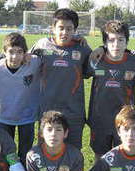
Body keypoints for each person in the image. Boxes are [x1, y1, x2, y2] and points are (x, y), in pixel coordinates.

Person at [87, 20, 135, 171]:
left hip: (126, 124)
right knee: (100, 157)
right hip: (100, 120)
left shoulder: (134, 62)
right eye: (111, 40)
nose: (116, 45)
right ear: (105, 42)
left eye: (121, 40)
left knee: (123, 159)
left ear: (127, 42)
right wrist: (98, 49)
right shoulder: (97, 59)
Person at [30, 8, 92, 151]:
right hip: (47, 110)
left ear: (75, 30)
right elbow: (25, 62)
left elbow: (93, 69)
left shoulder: (82, 48)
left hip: (73, 112)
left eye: (69, 29)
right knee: (45, 151)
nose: (64, 32)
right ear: (53, 28)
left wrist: (100, 48)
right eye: (61, 28)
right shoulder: (41, 45)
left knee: (73, 151)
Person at [0, 32, 41, 164]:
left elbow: (50, 51)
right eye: (11, 52)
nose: (15, 56)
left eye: (19, 52)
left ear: (25, 53)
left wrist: (77, 39)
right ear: (4, 52)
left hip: (27, 117)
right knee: (6, 153)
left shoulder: (34, 62)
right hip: (5, 117)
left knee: (26, 153)